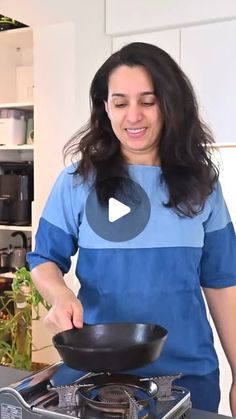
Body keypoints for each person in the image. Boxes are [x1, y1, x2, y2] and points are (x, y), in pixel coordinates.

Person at [27, 42, 236, 415]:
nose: (133, 116)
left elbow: (223, 282)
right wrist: (59, 294)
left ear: (170, 104)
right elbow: (44, 258)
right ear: (105, 108)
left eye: (148, 101)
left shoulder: (202, 184)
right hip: (96, 376)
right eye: (120, 103)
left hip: (187, 374)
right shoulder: (77, 181)